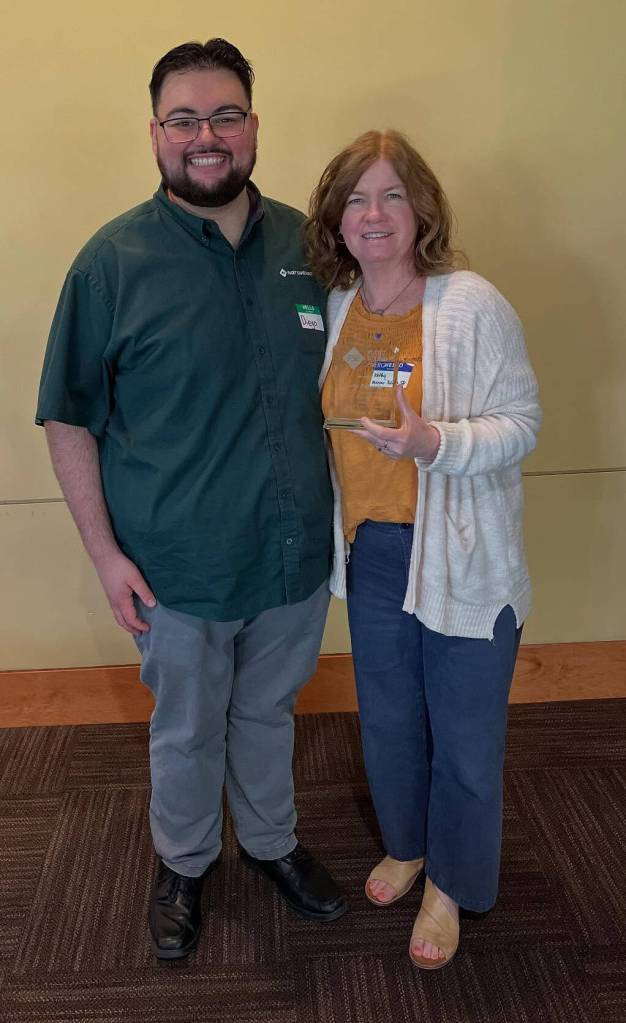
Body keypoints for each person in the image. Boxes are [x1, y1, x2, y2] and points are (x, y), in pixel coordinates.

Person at [36, 38, 347, 961]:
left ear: (253, 127)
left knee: (267, 714)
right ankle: (182, 860)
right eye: (183, 119)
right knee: (185, 727)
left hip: (292, 555)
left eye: (224, 116)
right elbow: (67, 419)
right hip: (176, 565)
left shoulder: (312, 245)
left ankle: (272, 843)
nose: (205, 136)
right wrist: (105, 556)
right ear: (155, 132)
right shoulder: (111, 263)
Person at [304, 130, 541, 969]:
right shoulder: (336, 306)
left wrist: (435, 441)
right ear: (335, 219)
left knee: (467, 738)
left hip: (464, 556)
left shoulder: (470, 303)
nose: (373, 214)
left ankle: (455, 880)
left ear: (421, 211)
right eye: (356, 198)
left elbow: (522, 423)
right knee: (393, 723)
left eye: (392, 195)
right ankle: (408, 845)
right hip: (372, 554)